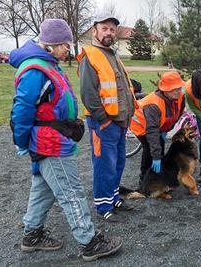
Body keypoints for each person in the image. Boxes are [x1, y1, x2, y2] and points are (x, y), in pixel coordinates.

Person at [10, 19, 122, 261]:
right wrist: (21, 141)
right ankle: (89, 241)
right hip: (49, 142)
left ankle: (32, 235)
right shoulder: (35, 70)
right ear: (52, 44)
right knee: (71, 191)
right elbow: (22, 109)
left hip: (54, 137)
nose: (67, 50)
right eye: (65, 45)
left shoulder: (47, 64)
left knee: (44, 189)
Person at [77, 16, 136, 222]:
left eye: (112, 29)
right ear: (95, 30)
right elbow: (88, 94)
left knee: (118, 163)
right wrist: (104, 119)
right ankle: (103, 207)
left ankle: (113, 198)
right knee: (104, 166)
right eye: (105, 28)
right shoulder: (90, 56)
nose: (109, 32)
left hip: (119, 123)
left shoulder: (112, 55)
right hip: (104, 123)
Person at [130, 71, 186, 184]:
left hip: (157, 126)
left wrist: (166, 130)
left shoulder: (180, 97)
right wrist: (156, 156)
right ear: (165, 89)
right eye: (174, 89)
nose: (178, 91)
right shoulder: (153, 105)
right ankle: (144, 177)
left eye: (179, 88)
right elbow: (152, 132)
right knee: (150, 148)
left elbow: (177, 114)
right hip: (141, 125)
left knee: (159, 145)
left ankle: (157, 175)